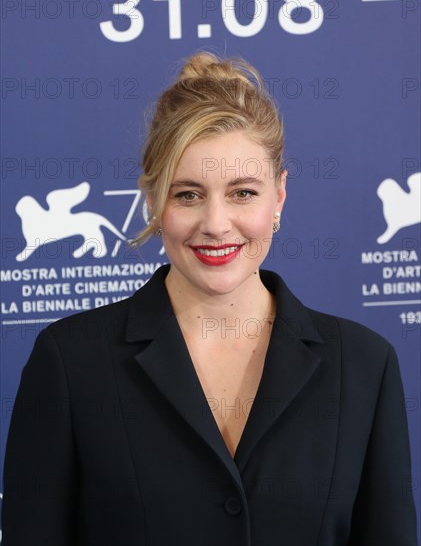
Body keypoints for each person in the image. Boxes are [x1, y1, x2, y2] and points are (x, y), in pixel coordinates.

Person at [2, 52, 418, 546]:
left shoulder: (365, 366)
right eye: (187, 194)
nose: (216, 224)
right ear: (152, 200)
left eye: (243, 193)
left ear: (279, 197)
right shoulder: (71, 362)